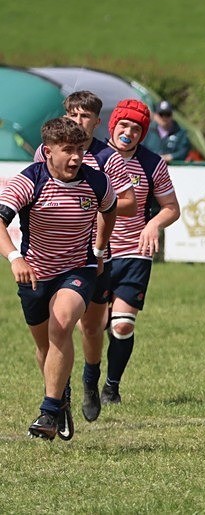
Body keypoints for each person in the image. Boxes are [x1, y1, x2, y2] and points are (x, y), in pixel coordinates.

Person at [0, 117, 117, 440]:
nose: (76, 157)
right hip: (35, 274)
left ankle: (48, 412)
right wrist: (15, 257)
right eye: (68, 150)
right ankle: (60, 400)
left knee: (62, 323)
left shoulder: (96, 182)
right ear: (48, 152)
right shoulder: (29, 181)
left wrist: (100, 249)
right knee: (44, 347)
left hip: (78, 269)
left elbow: (110, 210)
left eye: (80, 149)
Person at [33, 91, 138, 423]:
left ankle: (90, 379)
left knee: (92, 328)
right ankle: (57, 394)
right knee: (57, 326)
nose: (79, 122)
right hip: (54, 257)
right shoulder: (45, 152)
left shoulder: (108, 158)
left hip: (97, 255)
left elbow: (130, 202)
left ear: (96, 121)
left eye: (86, 117)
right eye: (74, 115)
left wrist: (90, 203)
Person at [99, 99, 181, 408]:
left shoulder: (151, 163)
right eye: (124, 125)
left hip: (134, 250)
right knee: (92, 325)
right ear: (113, 125)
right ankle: (89, 378)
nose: (128, 132)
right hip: (94, 253)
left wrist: (153, 225)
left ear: (143, 133)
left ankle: (112, 387)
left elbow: (172, 209)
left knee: (122, 325)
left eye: (136, 128)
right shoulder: (93, 158)